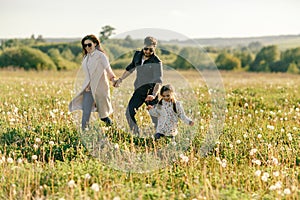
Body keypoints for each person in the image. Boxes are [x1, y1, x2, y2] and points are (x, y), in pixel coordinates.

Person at [114, 36, 163, 134]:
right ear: (143, 46)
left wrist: (153, 95)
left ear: (154, 48)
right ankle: (136, 134)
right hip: (139, 91)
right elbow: (130, 68)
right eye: (146, 49)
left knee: (156, 119)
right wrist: (120, 79)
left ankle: (160, 138)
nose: (148, 51)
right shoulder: (137, 55)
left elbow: (159, 81)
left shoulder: (157, 62)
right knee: (129, 113)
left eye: (150, 49)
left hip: (151, 93)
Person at [69, 34, 117, 130]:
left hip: (100, 89)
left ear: (95, 44)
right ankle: (84, 132)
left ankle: (112, 128)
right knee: (85, 113)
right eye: (85, 45)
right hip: (88, 89)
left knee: (103, 116)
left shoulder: (101, 56)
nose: (87, 47)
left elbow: (109, 70)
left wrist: (113, 79)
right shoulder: (86, 58)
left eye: (89, 45)